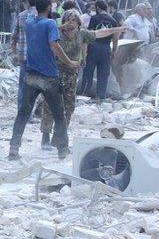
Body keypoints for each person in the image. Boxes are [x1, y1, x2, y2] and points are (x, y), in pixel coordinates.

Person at [37, 10, 121, 150]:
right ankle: (45, 134)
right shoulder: (56, 32)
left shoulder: (81, 33)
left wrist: (115, 29)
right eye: (69, 20)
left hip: (71, 75)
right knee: (50, 105)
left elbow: (97, 34)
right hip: (54, 73)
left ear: (78, 23)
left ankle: (57, 137)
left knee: (69, 106)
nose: (72, 23)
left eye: (75, 20)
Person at [8, 0, 77, 161]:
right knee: (59, 114)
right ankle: (63, 149)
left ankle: (13, 149)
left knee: (23, 113)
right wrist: (68, 62)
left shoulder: (29, 23)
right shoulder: (51, 24)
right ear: (48, 8)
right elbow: (54, 44)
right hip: (49, 76)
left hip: (31, 75)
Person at [80, 0, 121, 101]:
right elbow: (115, 37)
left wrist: (84, 52)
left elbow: (90, 35)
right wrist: (114, 51)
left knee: (88, 72)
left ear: (98, 8)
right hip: (106, 48)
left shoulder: (94, 18)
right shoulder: (113, 20)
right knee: (103, 74)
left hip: (94, 47)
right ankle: (100, 97)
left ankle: (84, 95)